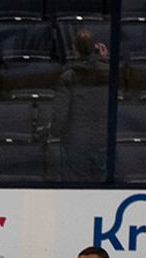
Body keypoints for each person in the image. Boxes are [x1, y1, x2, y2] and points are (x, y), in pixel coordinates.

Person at [52, 30, 109, 183]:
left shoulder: (68, 77)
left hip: (76, 143)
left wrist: (53, 133)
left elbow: (60, 115)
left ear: (75, 49)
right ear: (95, 48)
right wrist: (104, 61)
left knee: (76, 190)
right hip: (103, 141)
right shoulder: (109, 74)